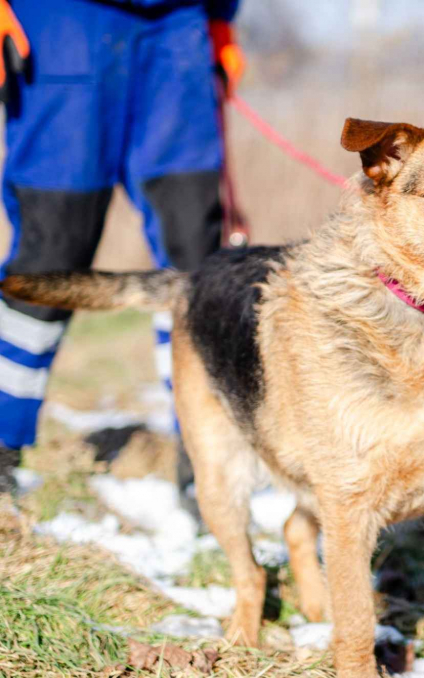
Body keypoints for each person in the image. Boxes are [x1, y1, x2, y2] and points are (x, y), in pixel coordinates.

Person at [0, 0, 245, 493]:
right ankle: (3, 442)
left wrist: (220, 18)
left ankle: (205, 463)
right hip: (58, 24)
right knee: (51, 255)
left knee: (195, 258)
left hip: (177, 29)